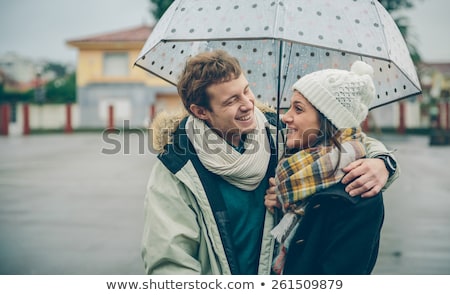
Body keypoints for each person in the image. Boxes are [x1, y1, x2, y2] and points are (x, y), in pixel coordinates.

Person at [141, 50, 398, 275]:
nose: (248, 104)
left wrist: (383, 162)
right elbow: (170, 263)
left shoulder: (276, 133)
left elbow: (344, 139)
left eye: (246, 90)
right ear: (200, 111)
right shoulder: (178, 167)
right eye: (231, 101)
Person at [267, 61, 389, 275]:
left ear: (328, 120)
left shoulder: (360, 194)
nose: (285, 117)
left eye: (298, 109)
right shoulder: (290, 174)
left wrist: (385, 162)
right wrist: (282, 204)